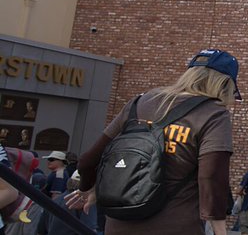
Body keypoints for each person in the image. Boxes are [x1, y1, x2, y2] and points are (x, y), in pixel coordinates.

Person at [69, 48, 239, 234]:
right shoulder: (213, 114)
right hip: (175, 225)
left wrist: (89, 189)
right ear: (224, 84)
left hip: (118, 224)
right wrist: (220, 230)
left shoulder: (140, 102)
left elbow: (88, 161)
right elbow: (211, 177)